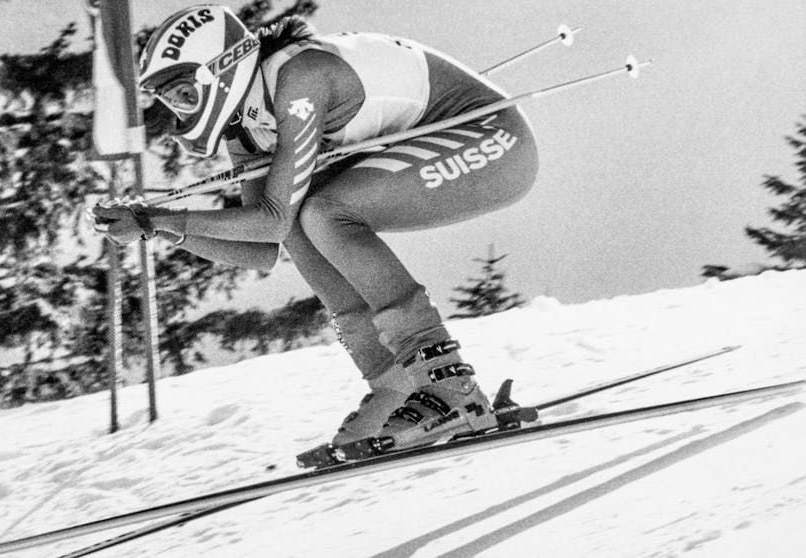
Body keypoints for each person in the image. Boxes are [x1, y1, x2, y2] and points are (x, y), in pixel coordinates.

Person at [92, 4, 538, 453]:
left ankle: (450, 386)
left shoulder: (300, 78)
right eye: (171, 102)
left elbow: (270, 218)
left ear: (221, 71)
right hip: (440, 142)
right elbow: (263, 247)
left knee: (324, 212)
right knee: (304, 225)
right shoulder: (244, 128)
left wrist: (161, 217)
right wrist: (156, 228)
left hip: (494, 138)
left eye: (186, 95)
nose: (181, 113)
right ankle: (397, 386)